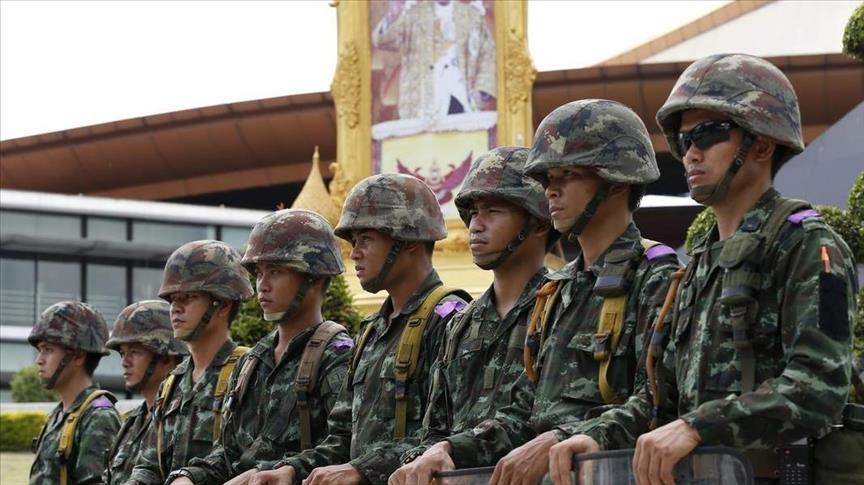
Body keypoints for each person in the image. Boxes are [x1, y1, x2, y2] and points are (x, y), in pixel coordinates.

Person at [549, 54, 859, 485]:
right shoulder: (697, 264)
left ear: (763, 145)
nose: (691, 153)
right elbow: (661, 397)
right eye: (683, 140)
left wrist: (699, 426)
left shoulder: (806, 246)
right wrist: (597, 436)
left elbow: (819, 386)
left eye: (708, 134)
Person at [407, 99, 681, 485]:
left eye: (566, 175)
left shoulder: (654, 277)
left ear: (617, 180)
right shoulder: (554, 294)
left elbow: (661, 400)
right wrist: (450, 449)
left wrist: (564, 437)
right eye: (548, 179)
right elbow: (523, 412)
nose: (550, 191)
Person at [249, 174, 470, 485]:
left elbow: (448, 436)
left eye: (365, 240)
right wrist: (292, 470)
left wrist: (361, 469)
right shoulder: (371, 332)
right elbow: (342, 438)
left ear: (409, 240)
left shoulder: (450, 319)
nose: (354, 253)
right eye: (354, 242)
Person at [389, 146, 555, 485]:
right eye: (474, 213)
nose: (476, 225)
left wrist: (452, 449)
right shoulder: (461, 325)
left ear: (538, 224)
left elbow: (541, 417)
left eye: (493, 211)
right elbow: (435, 428)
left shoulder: (559, 306)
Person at [168, 209, 354, 484]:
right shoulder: (252, 362)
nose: (262, 285)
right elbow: (229, 453)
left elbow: (346, 445)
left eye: (275, 272)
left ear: (315, 277)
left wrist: (285, 470)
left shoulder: (337, 355)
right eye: (259, 273)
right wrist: (189, 477)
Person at [126, 240, 254, 484]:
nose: (175, 309)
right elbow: (149, 465)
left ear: (223, 305)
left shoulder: (249, 371)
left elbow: (248, 458)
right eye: (173, 299)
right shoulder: (171, 384)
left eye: (188, 298)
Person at [28, 301, 121, 485]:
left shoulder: (98, 416)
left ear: (78, 356)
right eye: (40, 350)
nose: (39, 360)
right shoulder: (61, 413)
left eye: (48, 350)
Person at [103, 300, 186, 484]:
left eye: (134, 352)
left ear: (165, 358)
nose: (125, 362)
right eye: (122, 353)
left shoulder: (182, 417)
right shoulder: (132, 422)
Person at [372, 0, 496, 121]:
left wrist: (481, 91)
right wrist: (393, 15)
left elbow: (487, 54)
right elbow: (383, 42)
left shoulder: (472, 15)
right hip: (421, 103)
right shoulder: (412, 14)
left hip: (462, 99)